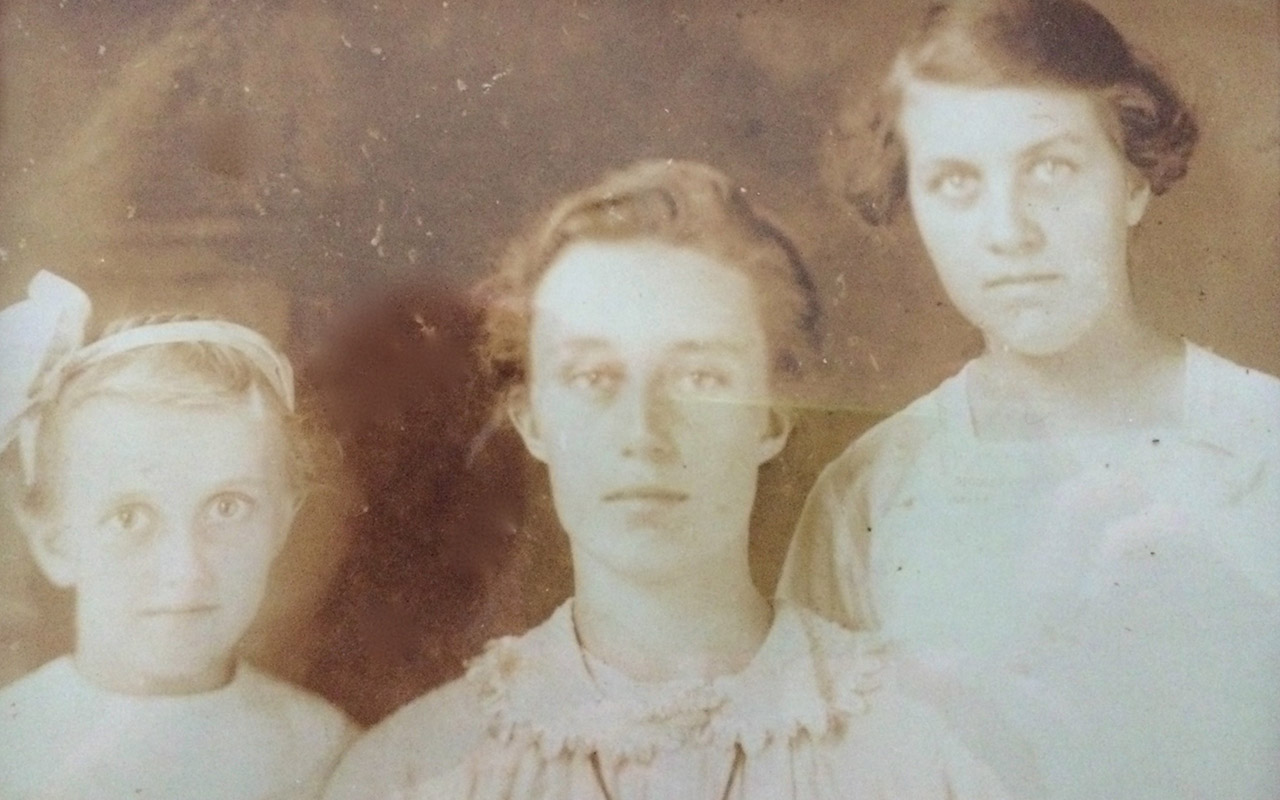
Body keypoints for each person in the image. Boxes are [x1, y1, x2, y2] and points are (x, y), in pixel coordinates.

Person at [324, 160, 1011, 800]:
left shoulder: (924, 752)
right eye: (594, 378)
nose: (642, 435)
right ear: (533, 421)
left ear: (771, 416)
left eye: (697, 379)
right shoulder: (415, 773)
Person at [777, 2, 1280, 798]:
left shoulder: (1265, 445)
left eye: (1051, 168)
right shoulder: (868, 497)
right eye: (955, 182)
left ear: (1134, 182)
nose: (1009, 231)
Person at [0, 271, 358, 799]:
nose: (185, 570)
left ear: (281, 521)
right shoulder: (14, 746)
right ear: (53, 541)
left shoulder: (325, 752)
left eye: (227, 508)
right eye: (130, 517)